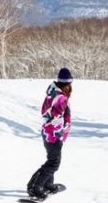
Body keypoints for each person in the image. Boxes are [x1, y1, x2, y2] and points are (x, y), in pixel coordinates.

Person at [27, 68, 73, 200]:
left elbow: (46, 112)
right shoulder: (60, 97)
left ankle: (47, 184)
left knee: (51, 161)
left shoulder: (52, 93)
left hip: (49, 132)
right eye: (69, 85)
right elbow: (56, 116)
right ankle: (36, 188)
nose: (70, 88)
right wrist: (60, 129)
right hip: (53, 134)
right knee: (53, 163)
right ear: (67, 84)